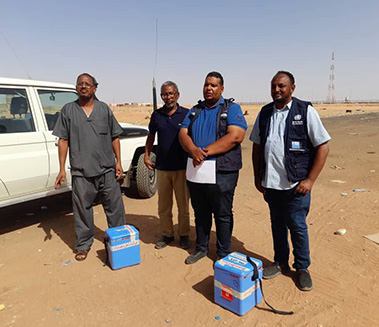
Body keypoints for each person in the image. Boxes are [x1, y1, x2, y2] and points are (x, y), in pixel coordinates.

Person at [250, 71, 330, 291]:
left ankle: (302, 268)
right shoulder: (265, 113)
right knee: (277, 225)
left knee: (297, 227)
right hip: (271, 185)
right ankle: (280, 262)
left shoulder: (305, 111)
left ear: (292, 88)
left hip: (296, 185)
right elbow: (257, 146)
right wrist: (258, 176)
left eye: (282, 86)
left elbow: (323, 146)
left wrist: (310, 180)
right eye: (274, 86)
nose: (277, 90)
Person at [53, 73, 126, 261]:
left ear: (95, 88)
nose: (83, 86)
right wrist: (62, 169)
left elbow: (114, 137)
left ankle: (119, 241)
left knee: (115, 208)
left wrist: (118, 162)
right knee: (82, 210)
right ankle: (83, 244)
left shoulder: (104, 110)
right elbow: (63, 140)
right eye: (80, 84)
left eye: (87, 84)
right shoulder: (68, 110)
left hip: (107, 170)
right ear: (77, 88)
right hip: (81, 172)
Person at [179, 71, 247, 264]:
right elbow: (183, 133)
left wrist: (204, 152)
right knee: (200, 211)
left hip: (222, 171)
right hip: (197, 171)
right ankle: (201, 248)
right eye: (206, 85)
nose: (209, 88)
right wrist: (193, 149)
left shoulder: (232, 109)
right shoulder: (195, 110)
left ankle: (224, 253)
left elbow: (235, 136)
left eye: (213, 85)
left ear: (222, 89)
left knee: (222, 213)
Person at [144, 81, 190, 249]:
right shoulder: (157, 115)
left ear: (177, 95)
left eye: (171, 94)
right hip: (162, 168)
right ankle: (167, 234)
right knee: (163, 205)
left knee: (183, 205)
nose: (168, 97)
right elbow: (151, 136)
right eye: (164, 94)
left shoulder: (186, 114)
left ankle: (184, 234)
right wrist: (147, 154)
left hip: (182, 167)